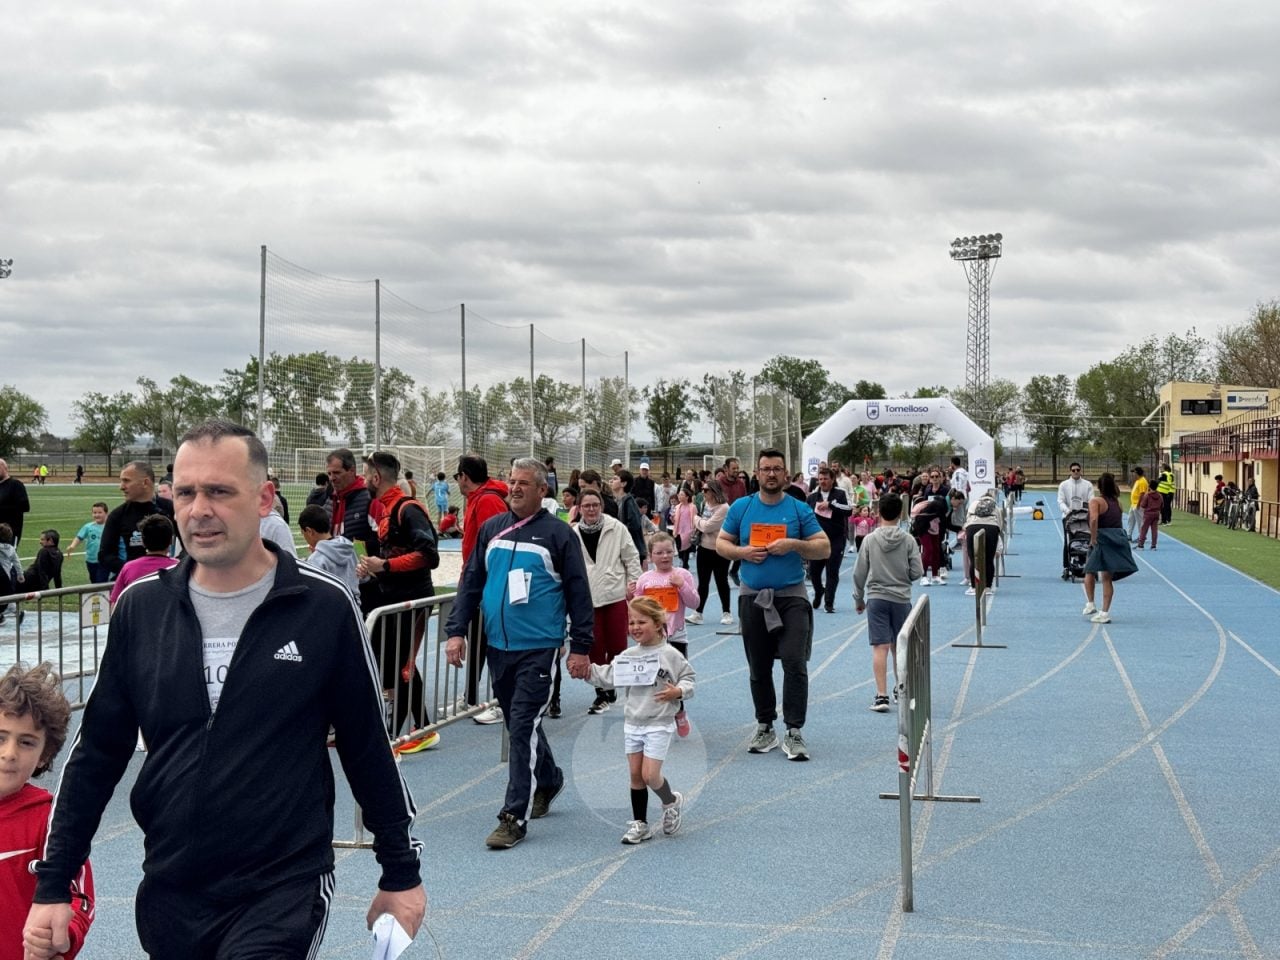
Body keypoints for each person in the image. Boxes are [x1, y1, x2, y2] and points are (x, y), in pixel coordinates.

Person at [27, 419, 425, 957]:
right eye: (186, 492)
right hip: (171, 885)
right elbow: (96, 753)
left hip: (281, 886)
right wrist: (54, 882)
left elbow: (366, 746)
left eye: (219, 491)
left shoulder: (323, 607)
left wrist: (400, 871)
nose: (199, 509)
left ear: (264, 499)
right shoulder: (142, 608)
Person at [443, 458, 594, 850]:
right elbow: (472, 581)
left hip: (539, 649)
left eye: (524, 483)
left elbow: (579, 594)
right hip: (498, 647)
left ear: (543, 490)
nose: (515, 488)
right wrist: (455, 631)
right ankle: (549, 778)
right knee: (517, 722)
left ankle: (513, 816)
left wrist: (580, 647)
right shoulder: (492, 530)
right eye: (512, 482)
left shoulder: (560, 536)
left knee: (522, 725)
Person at [717, 449, 829, 761]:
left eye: (777, 469)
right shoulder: (742, 507)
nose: (770, 474)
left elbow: (824, 548)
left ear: (785, 473)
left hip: (791, 596)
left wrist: (794, 545)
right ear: (756, 472)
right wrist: (743, 553)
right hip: (752, 595)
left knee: (795, 661)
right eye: (765, 469)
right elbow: (721, 544)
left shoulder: (797, 509)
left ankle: (794, 731)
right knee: (759, 666)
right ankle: (765, 725)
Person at [584, 596, 695, 844]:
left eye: (641, 622)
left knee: (650, 776)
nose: (634, 627)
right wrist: (585, 671)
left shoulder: (670, 655)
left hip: (659, 722)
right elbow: (609, 675)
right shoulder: (628, 655)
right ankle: (640, 824)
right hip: (633, 722)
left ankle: (671, 801)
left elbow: (689, 678)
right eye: (631, 622)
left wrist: (678, 691)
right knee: (635, 775)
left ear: (658, 624)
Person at [3, 664, 95, 960]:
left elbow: (81, 900)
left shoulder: (53, 820)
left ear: (44, 755)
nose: (9, 753)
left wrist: (60, 937)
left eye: (26, 742)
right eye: (0, 737)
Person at [358, 452, 440, 746]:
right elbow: (393, 555)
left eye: (366, 474)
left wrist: (387, 565)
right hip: (392, 597)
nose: (364, 479)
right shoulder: (387, 509)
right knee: (395, 662)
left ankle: (397, 735)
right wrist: (374, 566)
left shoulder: (407, 509)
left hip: (413, 600)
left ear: (376, 478)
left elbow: (430, 556)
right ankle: (424, 727)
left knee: (402, 664)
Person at [574, 488, 643, 715]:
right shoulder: (573, 533)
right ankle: (601, 692)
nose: (591, 509)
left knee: (617, 646)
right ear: (579, 508)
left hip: (614, 595)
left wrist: (634, 585)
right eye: (586, 505)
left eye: (595, 505)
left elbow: (632, 558)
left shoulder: (616, 528)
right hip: (587, 599)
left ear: (601, 506)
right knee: (594, 646)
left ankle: (613, 683)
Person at [852, 494, 923, 712]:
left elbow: (859, 572)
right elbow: (918, 571)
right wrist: (904, 577)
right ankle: (900, 689)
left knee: (880, 647)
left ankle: (881, 695)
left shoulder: (870, 540)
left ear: (878, 513)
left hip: (877, 597)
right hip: (901, 598)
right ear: (901, 513)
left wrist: (858, 598)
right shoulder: (909, 540)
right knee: (899, 647)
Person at [456, 455, 511, 722]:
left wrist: (486, 581)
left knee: (492, 641)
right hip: (478, 581)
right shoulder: (476, 500)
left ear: (464, 476)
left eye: (458, 476)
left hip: (489, 585)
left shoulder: (488, 500)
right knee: (477, 639)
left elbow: (497, 543)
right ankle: (470, 697)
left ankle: (502, 700)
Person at [634, 533, 699, 737]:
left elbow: (695, 603)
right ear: (650, 556)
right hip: (651, 640)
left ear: (675, 552)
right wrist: (631, 596)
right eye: (659, 553)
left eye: (669, 552)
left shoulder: (683, 575)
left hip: (676, 637)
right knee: (651, 679)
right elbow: (637, 608)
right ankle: (656, 718)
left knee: (675, 680)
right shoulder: (645, 580)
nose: (665, 556)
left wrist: (681, 585)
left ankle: (679, 711)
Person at [99, 462, 177, 580]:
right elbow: (105, 555)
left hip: (169, 580)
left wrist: (177, 568)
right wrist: (134, 570)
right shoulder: (118, 515)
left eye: (126, 481)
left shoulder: (170, 509)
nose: (121, 486)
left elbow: (189, 546)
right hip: (134, 583)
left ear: (145, 482)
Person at [1081, 471, 1139, 623]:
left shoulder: (1096, 501)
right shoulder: (1117, 502)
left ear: (1099, 486)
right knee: (1107, 578)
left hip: (1102, 539)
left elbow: (1093, 520)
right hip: (1116, 538)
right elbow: (1117, 522)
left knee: (1089, 570)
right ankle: (1104, 611)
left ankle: (1091, 603)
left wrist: (1093, 538)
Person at [107, 515, 179, 606]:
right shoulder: (179, 567)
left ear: (143, 541)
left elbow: (115, 604)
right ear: (171, 541)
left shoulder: (129, 568)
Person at [806, 466, 850, 613]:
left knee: (832, 571)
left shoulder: (840, 494)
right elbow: (805, 517)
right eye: (820, 479)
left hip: (836, 539)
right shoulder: (812, 497)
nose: (823, 481)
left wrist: (831, 505)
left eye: (826, 479)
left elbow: (849, 510)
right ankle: (819, 591)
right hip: (817, 540)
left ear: (832, 480)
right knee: (814, 572)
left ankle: (829, 603)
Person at [688, 480, 732, 626]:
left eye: (706, 490)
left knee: (721, 581)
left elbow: (707, 526)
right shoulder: (705, 504)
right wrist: (700, 522)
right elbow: (704, 525)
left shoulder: (724, 508)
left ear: (714, 491)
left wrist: (696, 519)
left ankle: (727, 612)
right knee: (703, 582)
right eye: (702, 489)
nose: (703, 492)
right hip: (704, 548)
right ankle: (698, 613)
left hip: (719, 548)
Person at [322, 448, 378, 556]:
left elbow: (382, 541)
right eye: (329, 474)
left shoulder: (369, 498)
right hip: (333, 568)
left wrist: (358, 556)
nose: (331, 478)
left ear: (352, 471)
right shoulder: (330, 499)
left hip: (361, 569)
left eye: (336, 473)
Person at [297, 504, 359, 598]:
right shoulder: (348, 546)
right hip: (354, 606)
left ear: (309, 531)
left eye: (303, 533)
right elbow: (362, 577)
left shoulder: (316, 560)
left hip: (332, 609)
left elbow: (314, 594)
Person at [960, 493, 1002, 596]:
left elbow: (967, 518)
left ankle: (974, 587)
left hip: (973, 526)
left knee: (973, 558)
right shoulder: (995, 507)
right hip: (991, 528)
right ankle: (987, 587)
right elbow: (1000, 523)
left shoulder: (974, 504)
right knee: (989, 559)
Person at [1057, 463, 1094, 577]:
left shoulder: (1087, 485)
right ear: (1070, 471)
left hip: (1084, 517)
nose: (1076, 472)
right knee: (1068, 541)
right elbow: (1060, 500)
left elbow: (1091, 499)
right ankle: (1067, 565)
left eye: (1078, 470)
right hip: (1069, 517)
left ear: (1081, 470)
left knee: (1085, 539)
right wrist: (1067, 511)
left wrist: (1087, 511)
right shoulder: (1064, 485)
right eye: (1073, 470)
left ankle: (1085, 562)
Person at [63, 503, 109, 585]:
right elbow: (79, 537)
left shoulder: (110, 526)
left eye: (99, 512)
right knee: (94, 580)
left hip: (105, 560)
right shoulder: (88, 527)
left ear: (106, 513)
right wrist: (72, 546)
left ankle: (104, 595)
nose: (97, 515)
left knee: (101, 581)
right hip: (91, 559)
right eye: (94, 513)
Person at [610, 470, 648, 564]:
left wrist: (618, 530)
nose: (611, 481)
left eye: (615, 479)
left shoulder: (628, 501)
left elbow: (634, 525)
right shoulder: (617, 501)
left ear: (623, 483)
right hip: (626, 549)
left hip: (633, 550)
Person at [0, 460, 31, 548]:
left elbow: (25, 506)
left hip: (9, 534)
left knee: (7, 560)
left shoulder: (16, 485)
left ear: (3, 467)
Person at [668, 486, 697, 569]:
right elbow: (675, 520)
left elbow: (695, 518)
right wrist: (672, 519)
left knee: (686, 548)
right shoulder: (677, 507)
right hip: (678, 530)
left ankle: (685, 564)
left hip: (688, 530)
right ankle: (682, 560)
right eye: (679, 495)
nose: (679, 497)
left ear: (687, 497)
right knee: (679, 546)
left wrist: (693, 529)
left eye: (682, 495)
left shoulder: (692, 507)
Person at [1136, 485, 1163, 550]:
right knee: (1154, 530)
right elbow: (1162, 505)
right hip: (1156, 514)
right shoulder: (1160, 496)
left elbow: (1143, 505)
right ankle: (1153, 546)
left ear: (1150, 487)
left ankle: (1141, 545)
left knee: (1144, 529)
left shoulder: (1147, 495)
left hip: (1148, 514)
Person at [1128, 467, 1149, 541]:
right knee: (1131, 519)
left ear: (1137, 473)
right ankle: (1129, 534)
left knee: (1140, 521)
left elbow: (1142, 494)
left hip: (1138, 504)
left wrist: (1138, 504)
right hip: (1133, 503)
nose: (1133, 474)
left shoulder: (1142, 481)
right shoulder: (1138, 481)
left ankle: (1142, 536)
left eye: (1134, 473)